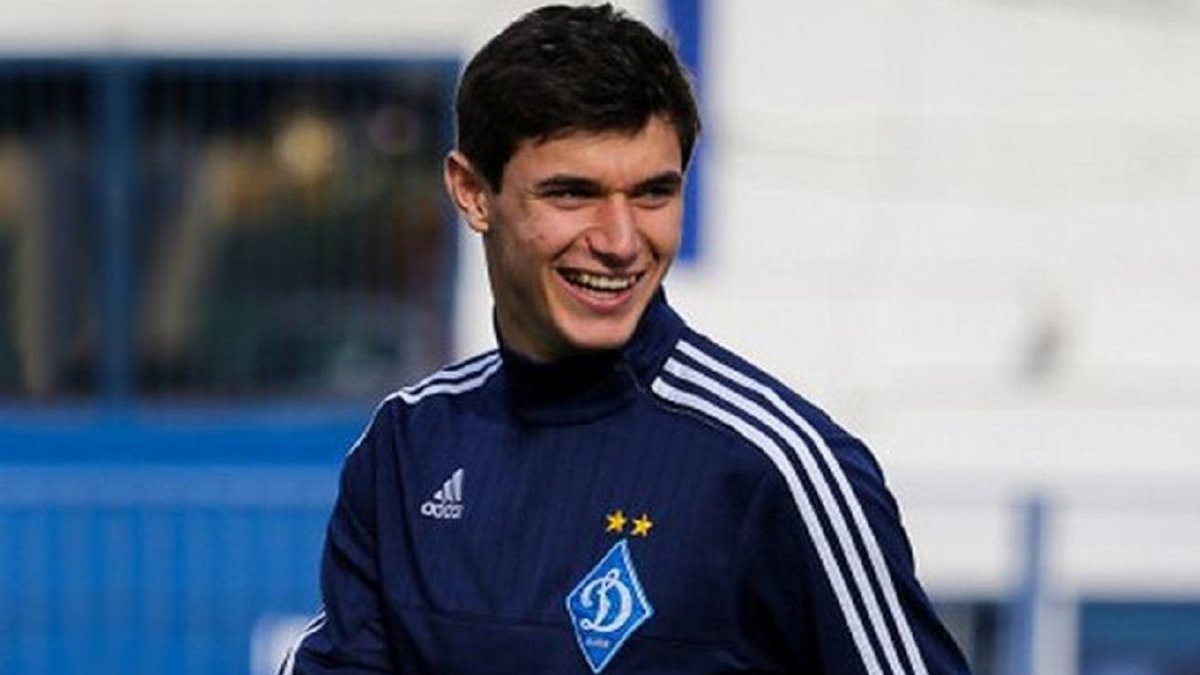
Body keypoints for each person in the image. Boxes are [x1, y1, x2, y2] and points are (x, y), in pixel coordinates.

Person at [282, 4, 971, 673]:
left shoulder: (779, 469)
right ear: (472, 192)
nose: (619, 241)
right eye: (572, 193)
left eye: (652, 194)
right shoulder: (408, 447)